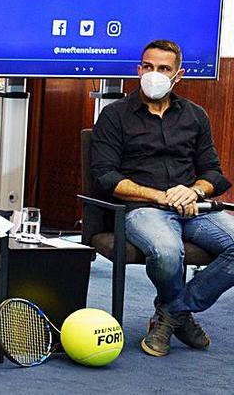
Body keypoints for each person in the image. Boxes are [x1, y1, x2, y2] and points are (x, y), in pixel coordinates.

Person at [89, 39, 233, 357]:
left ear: (177, 75)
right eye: (148, 67)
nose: (154, 74)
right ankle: (178, 317)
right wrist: (160, 196)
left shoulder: (195, 116)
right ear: (139, 70)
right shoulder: (114, 116)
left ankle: (172, 314)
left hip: (194, 207)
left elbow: (214, 173)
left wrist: (194, 190)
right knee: (167, 251)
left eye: (163, 69)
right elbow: (105, 177)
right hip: (144, 209)